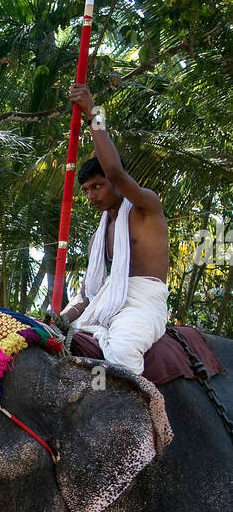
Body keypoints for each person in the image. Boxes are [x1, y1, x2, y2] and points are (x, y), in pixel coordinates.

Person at [59, 84, 169, 375]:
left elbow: (117, 174)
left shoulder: (147, 207)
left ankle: (138, 419)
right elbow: (86, 295)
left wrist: (93, 113)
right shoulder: (99, 235)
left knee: (120, 352)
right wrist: (61, 318)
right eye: (86, 190)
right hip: (106, 307)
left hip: (143, 306)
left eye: (98, 186)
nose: (91, 195)